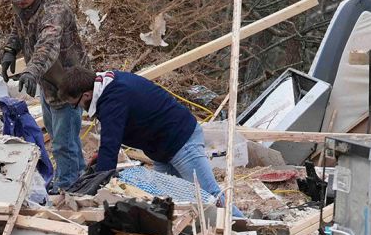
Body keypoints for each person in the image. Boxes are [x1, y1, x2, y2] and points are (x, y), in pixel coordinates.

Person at [59, 66, 242, 212]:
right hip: (160, 149)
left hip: (181, 141)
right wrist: (100, 161)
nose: (79, 109)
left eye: (76, 105)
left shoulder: (112, 100)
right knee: (166, 202)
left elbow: (110, 146)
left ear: (87, 94)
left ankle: (249, 230)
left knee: (210, 195)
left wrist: (97, 187)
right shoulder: (108, 83)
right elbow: (111, 137)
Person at [1, 0, 91, 192]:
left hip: (68, 83)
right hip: (47, 81)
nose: (18, 2)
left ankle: (67, 185)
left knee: (62, 142)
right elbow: (18, 27)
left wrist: (32, 71)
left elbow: (47, 45)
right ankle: (78, 176)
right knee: (60, 135)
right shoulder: (23, 4)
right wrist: (10, 49)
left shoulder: (54, 10)